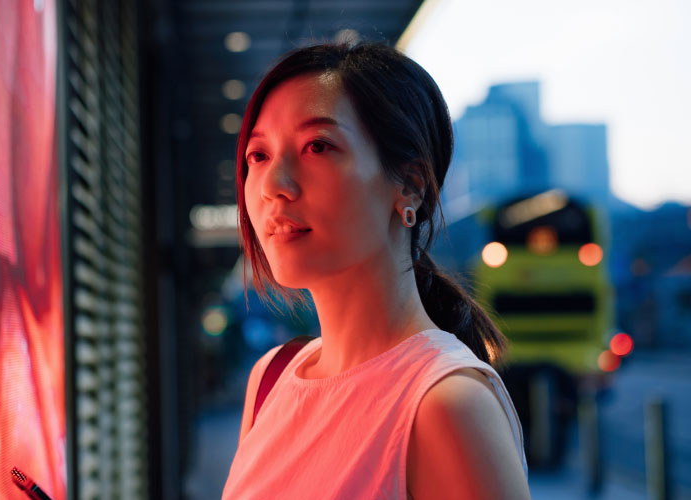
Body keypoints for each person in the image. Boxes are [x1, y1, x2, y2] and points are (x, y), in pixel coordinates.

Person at [222, 42, 531, 499]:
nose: (275, 186)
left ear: (409, 185)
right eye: (258, 156)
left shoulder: (446, 405)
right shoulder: (271, 379)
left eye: (317, 146)